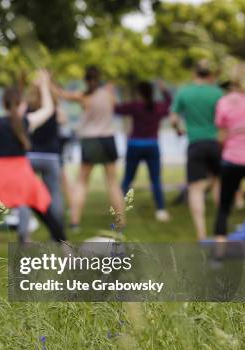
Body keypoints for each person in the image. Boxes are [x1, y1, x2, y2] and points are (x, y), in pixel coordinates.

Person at [0, 70, 66, 267]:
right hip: (22, 175)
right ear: (22, 105)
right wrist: (44, 86)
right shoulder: (27, 122)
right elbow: (48, 109)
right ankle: (66, 251)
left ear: (4, 104)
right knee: (45, 212)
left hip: (1, 175)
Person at [55, 66, 125, 230]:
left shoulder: (84, 96)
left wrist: (48, 81)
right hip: (108, 139)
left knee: (82, 182)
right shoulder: (108, 94)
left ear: (86, 80)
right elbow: (116, 106)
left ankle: (74, 222)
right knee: (113, 183)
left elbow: (61, 94)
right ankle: (121, 224)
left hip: (90, 140)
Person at [170, 60, 223, 240]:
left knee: (196, 189)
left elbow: (173, 119)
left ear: (195, 73)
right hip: (215, 144)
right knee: (217, 184)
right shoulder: (217, 93)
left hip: (195, 144)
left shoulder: (184, 92)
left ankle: (201, 235)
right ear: (210, 75)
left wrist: (178, 130)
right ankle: (220, 230)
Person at [213, 62, 245, 241]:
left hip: (231, 159)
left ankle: (218, 255)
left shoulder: (225, 102)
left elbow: (221, 137)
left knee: (224, 206)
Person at [115, 81, 171, 221]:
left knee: (127, 179)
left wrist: (111, 94)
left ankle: (118, 209)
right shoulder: (158, 107)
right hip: (152, 146)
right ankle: (161, 210)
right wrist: (164, 90)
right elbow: (169, 103)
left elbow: (117, 109)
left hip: (134, 146)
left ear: (139, 93)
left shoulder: (135, 106)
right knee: (155, 180)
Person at [17, 81, 67, 242]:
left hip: (30, 156)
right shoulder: (54, 109)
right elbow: (63, 121)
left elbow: (18, 119)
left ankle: (24, 235)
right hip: (51, 156)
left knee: (24, 196)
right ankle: (56, 233)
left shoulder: (28, 109)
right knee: (54, 195)